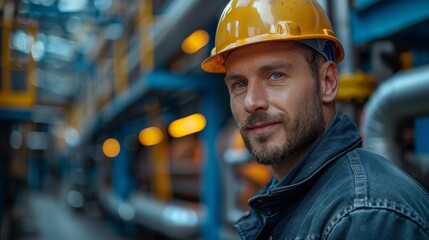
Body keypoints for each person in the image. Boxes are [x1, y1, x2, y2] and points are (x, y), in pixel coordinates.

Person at [201, 0, 429, 239]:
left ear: (327, 82)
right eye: (239, 84)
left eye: (275, 75)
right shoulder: (288, 198)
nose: (251, 102)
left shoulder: (364, 216)